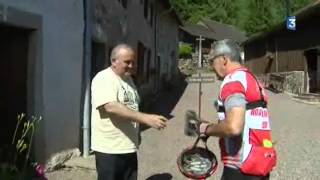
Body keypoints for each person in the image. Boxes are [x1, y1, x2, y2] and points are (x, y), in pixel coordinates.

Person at [196, 39, 276, 180]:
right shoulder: (253, 79)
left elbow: (234, 127)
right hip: (261, 161)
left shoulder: (233, 81)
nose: (212, 66)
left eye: (212, 61)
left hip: (240, 169)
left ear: (224, 59)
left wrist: (205, 129)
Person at [91, 44, 168, 180]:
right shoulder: (104, 78)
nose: (132, 66)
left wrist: (136, 132)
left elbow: (131, 107)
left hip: (128, 146)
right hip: (110, 150)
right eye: (127, 62)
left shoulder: (128, 80)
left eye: (133, 62)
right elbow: (110, 106)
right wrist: (145, 119)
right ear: (114, 61)